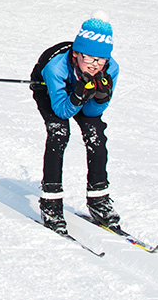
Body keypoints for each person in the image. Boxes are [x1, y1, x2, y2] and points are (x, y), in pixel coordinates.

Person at [30, 16, 121, 234]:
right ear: (76, 54)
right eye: (89, 57)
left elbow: (92, 114)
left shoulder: (111, 69)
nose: (94, 64)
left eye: (101, 60)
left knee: (96, 134)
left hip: (78, 93)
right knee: (59, 134)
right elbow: (61, 110)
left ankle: (98, 200)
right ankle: (51, 203)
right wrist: (77, 97)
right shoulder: (56, 68)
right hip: (50, 90)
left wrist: (98, 98)